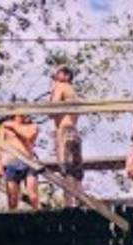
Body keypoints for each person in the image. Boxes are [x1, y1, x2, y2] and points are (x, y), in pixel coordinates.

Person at [50, 66, 83, 206]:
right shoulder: (73, 91)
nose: (55, 76)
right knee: (76, 168)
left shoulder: (61, 86)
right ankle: (81, 201)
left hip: (64, 129)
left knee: (66, 167)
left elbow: (53, 109)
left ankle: (69, 204)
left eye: (58, 73)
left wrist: (52, 94)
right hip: (74, 130)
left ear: (66, 75)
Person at [0, 112, 40, 211]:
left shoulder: (33, 126)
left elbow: (28, 136)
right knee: (13, 199)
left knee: (33, 195)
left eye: (26, 114)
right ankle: (12, 218)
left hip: (29, 162)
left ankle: (39, 216)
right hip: (12, 162)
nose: (25, 116)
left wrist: (13, 126)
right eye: (22, 114)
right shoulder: (5, 127)